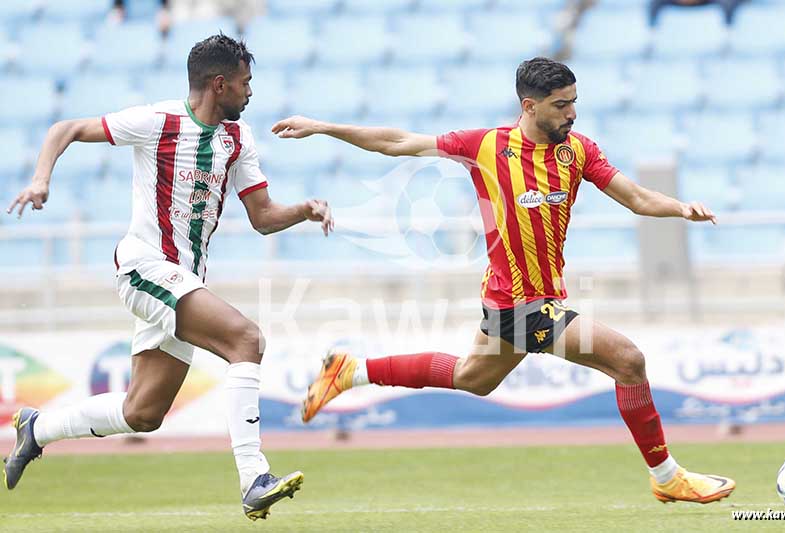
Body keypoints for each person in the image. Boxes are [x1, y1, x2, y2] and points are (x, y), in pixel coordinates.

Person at [272, 57, 735, 504]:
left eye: (574, 102)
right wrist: (324, 127)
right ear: (529, 106)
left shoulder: (580, 150)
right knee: (628, 361)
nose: (571, 113)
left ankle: (351, 371)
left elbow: (634, 197)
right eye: (560, 105)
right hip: (520, 305)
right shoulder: (486, 147)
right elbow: (397, 142)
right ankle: (667, 476)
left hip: (524, 301)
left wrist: (679, 207)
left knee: (472, 378)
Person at [4, 34, 334, 521]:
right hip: (144, 266)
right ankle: (253, 477)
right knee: (246, 339)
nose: (250, 93)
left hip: (182, 279)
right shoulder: (157, 121)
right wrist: (40, 180)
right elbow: (65, 128)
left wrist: (303, 210)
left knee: (144, 412)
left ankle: (38, 428)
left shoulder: (237, 140)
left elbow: (262, 217)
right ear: (218, 84)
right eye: (245, 83)